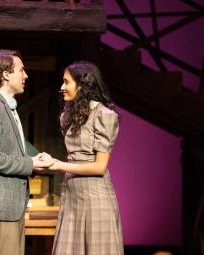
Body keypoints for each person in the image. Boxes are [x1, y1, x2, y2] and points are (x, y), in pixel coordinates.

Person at [0, 49, 53, 255]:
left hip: (9, 208)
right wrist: (29, 164)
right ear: (6, 74)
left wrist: (32, 162)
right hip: (1, 207)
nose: (26, 75)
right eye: (21, 70)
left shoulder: (5, 106)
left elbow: (3, 152)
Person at [48, 61, 124, 255]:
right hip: (73, 193)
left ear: (82, 85)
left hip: (95, 196)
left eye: (66, 82)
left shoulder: (104, 115)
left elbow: (99, 167)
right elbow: (72, 158)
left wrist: (58, 164)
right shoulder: (67, 116)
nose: (62, 87)